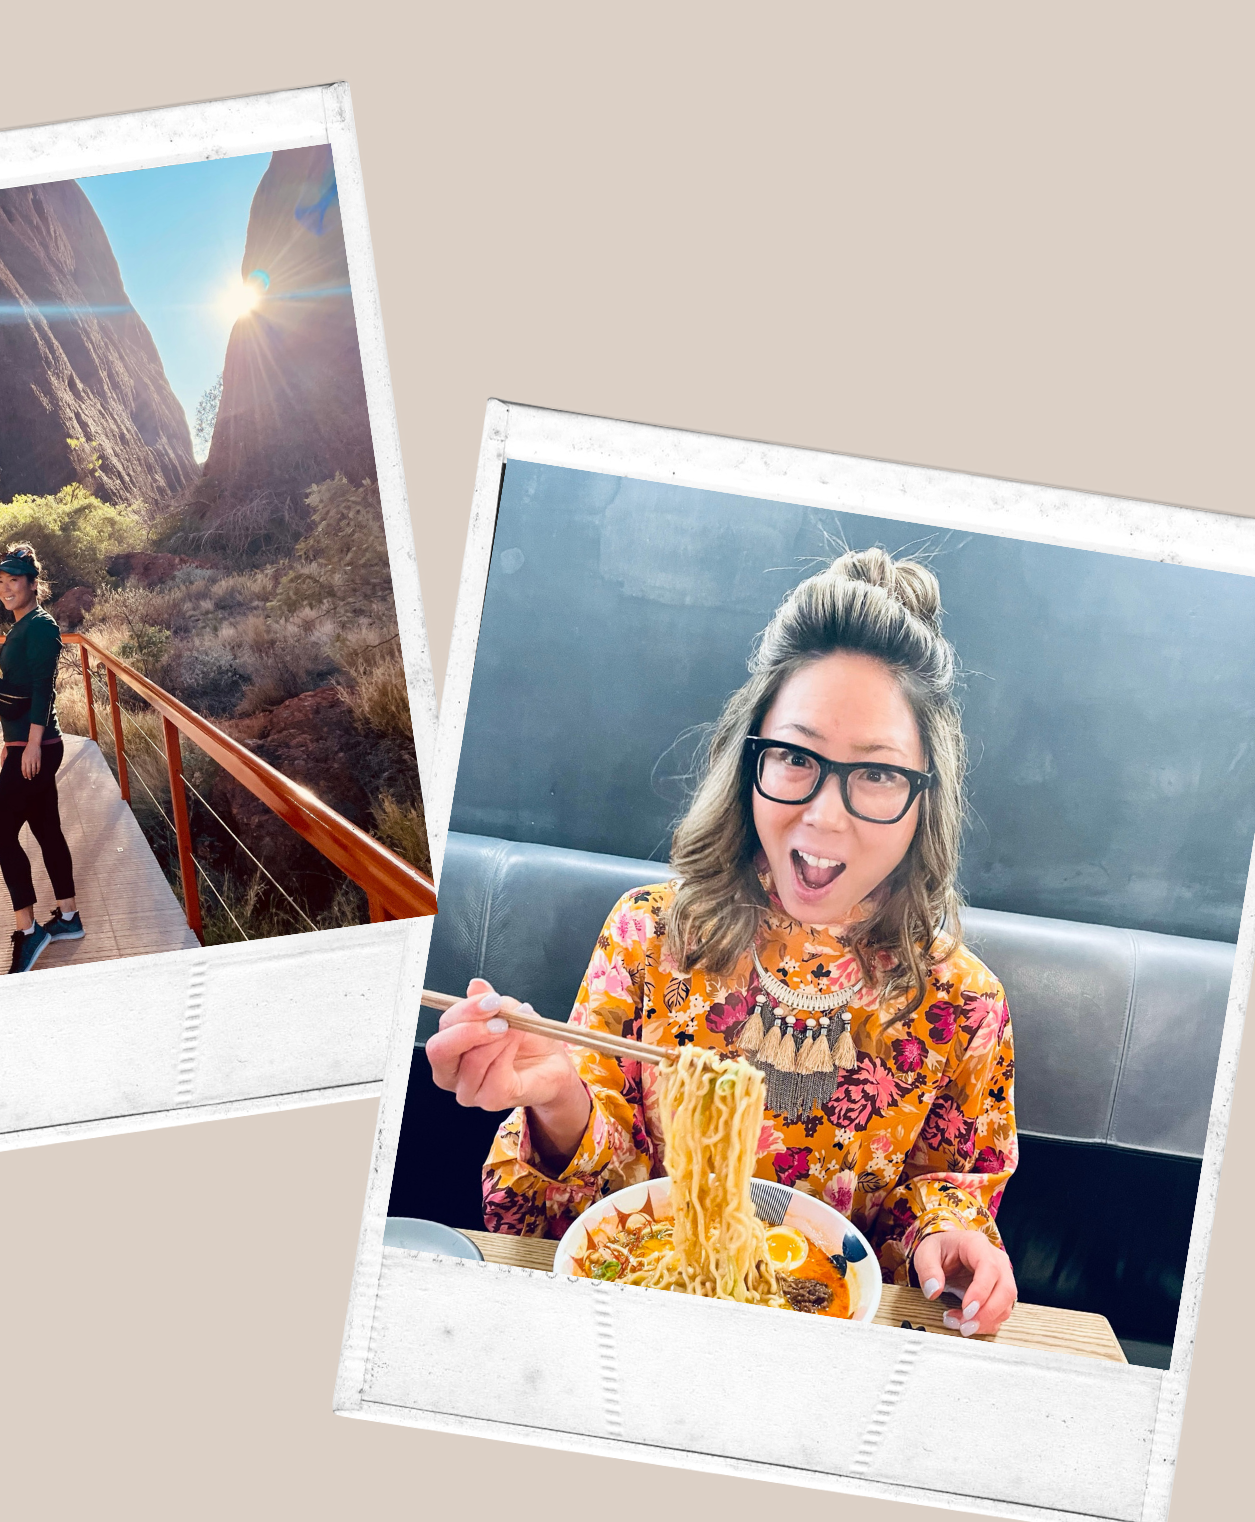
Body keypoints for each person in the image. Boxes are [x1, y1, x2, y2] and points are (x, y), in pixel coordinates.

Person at [426, 547, 1020, 1336]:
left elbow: (949, 1187)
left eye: (876, 774)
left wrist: (954, 1237)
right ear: (750, 762)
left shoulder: (962, 1001)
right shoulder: (650, 935)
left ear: (925, 797)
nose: (825, 815)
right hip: (639, 1326)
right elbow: (582, 1206)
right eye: (794, 757)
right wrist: (558, 1097)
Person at [0, 544, 84, 974]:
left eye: (14, 581)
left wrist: (33, 745)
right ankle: (69, 917)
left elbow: (44, 688)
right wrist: (13, 740)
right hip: (26, 743)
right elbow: (20, 691)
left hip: (37, 747)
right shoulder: (22, 625)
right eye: (1, 583)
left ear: (33, 584)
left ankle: (29, 931)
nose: (6, 589)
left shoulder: (40, 627)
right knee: (46, 830)